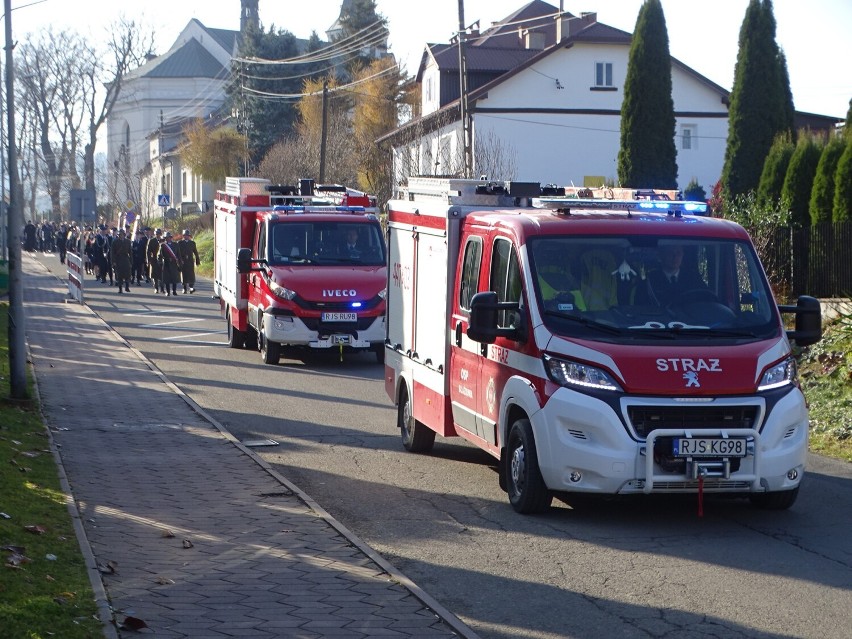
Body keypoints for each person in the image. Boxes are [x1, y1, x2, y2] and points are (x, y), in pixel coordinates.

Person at [158, 231, 182, 296]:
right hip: (166, 263)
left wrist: (180, 263)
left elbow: (179, 254)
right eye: (166, 238)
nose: (167, 238)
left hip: (174, 263)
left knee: (174, 278)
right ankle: (168, 291)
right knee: (167, 279)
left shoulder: (176, 245)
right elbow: (159, 255)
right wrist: (160, 262)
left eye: (169, 237)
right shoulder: (163, 245)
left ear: (171, 238)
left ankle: (174, 291)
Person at [111, 228, 133, 293]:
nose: (121, 235)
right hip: (118, 259)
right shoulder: (115, 242)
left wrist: (131, 261)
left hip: (126, 259)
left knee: (127, 273)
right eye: (120, 234)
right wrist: (113, 261)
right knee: (119, 274)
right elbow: (112, 253)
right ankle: (120, 288)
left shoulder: (128, 241)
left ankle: (127, 287)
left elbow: (130, 252)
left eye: (122, 234)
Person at [178, 229, 200, 293]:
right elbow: (177, 253)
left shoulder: (192, 243)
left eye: (187, 235)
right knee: (184, 274)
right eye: (185, 235)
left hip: (190, 260)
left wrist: (197, 261)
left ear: (189, 236)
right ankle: (184, 288)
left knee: (191, 274)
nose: (186, 236)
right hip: (183, 260)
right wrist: (179, 261)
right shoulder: (180, 243)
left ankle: (191, 288)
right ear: (183, 236)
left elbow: (195, 252)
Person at [147, 228, 163, 293]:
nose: (157, 235)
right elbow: (148, 251)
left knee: (162, 274)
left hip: (162, 260)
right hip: (153, 259)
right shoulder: (151, 241)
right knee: (154, 274)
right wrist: (149, 260)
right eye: (156, 234)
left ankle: (162, 288)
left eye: (159, 234)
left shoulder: (163, 240)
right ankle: (156, 287)